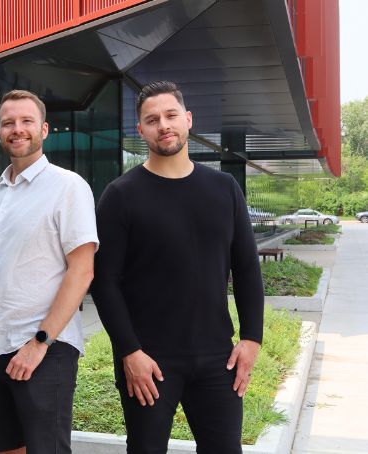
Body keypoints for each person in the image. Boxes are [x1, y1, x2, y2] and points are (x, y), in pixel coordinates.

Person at [91, 81, 264, 453]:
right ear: (140, 130)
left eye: (171, 116)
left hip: (218, 357)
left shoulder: (224, 188)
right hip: (149, 360)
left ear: (188, 119)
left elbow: (247, 267)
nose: (163, 125)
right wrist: (129, 352)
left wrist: (252, 338)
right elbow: (105, 282)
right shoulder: (120, 195)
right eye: (152, 120)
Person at [0, 89, 99, 454]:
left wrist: (39, 344)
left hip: (43, 349)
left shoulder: (68, 187)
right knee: (5, 449)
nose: (17, 129)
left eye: (26, 121)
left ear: (45, 129)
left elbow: (82, 271)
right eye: (8, 123)